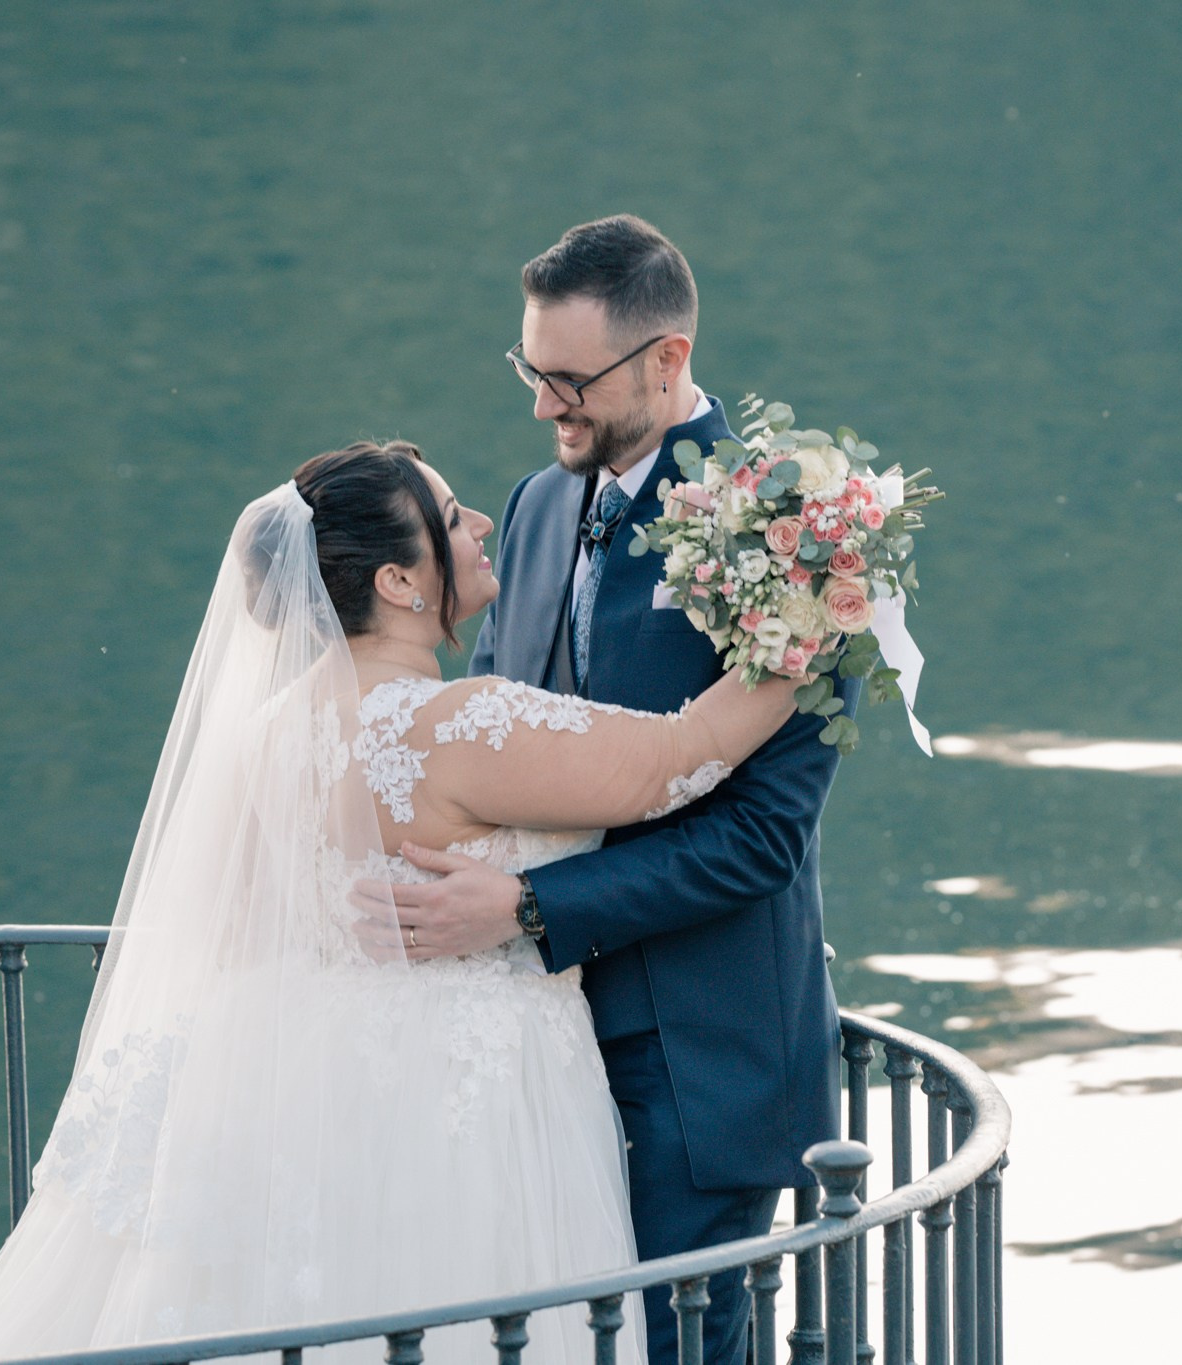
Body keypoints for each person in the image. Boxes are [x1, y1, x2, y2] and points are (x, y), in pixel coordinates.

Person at [0, 440, 800, 1365]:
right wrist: (822, 609)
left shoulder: (266, 734)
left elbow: (246, 939)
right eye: (453, 515)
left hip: (315, 1106)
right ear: (397, 580)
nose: (481, 525)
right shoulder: (455, 727)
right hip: (473, 1115)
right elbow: (679, 756)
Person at [383, 216, 860, 1365]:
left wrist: (532, 911)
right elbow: (502, 743)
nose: (545, 405)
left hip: (696, 1050)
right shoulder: (537, 507)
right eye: (530, 371)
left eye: (568, 381)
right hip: (530, 1052)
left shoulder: (796, 537)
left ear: (667, 360)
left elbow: (761, 839)